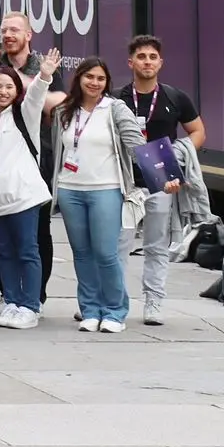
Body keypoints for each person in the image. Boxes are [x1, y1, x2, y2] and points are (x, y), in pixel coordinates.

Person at [47, 57, 146, 332]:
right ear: (79, 78)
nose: (94, 83)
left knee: (105, 253)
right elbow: (58, 149)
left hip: (106, 189)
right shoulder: (64, 110)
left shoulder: (115, 109)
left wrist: (165, 175)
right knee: (82, 254)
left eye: (101, 78)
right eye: (89, 77)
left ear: (107, 82)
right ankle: (90, 310)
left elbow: (138, 146)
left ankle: (115, 312)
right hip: (70, 190)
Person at [114, 34, 205, 327]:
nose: (147, 62)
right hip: (126, 183)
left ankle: (153, 301)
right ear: (130, 63)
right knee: (119, 245)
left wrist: (178, 157)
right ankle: (113, 301)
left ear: (161, 63)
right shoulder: (116, 98)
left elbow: (198, 132)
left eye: (152, 57)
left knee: (156, 246)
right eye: (141, 57)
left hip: (161, 182)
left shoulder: (175, 97)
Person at [0, 50, 63, 328]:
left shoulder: (25, 113)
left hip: (24, 196)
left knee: (27, 250)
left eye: (9, 87)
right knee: (3, 252)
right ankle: (12, 301)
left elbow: (36, 95)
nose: (3, 92)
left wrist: (45, 75)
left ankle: (30, 306)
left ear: (17, 90)